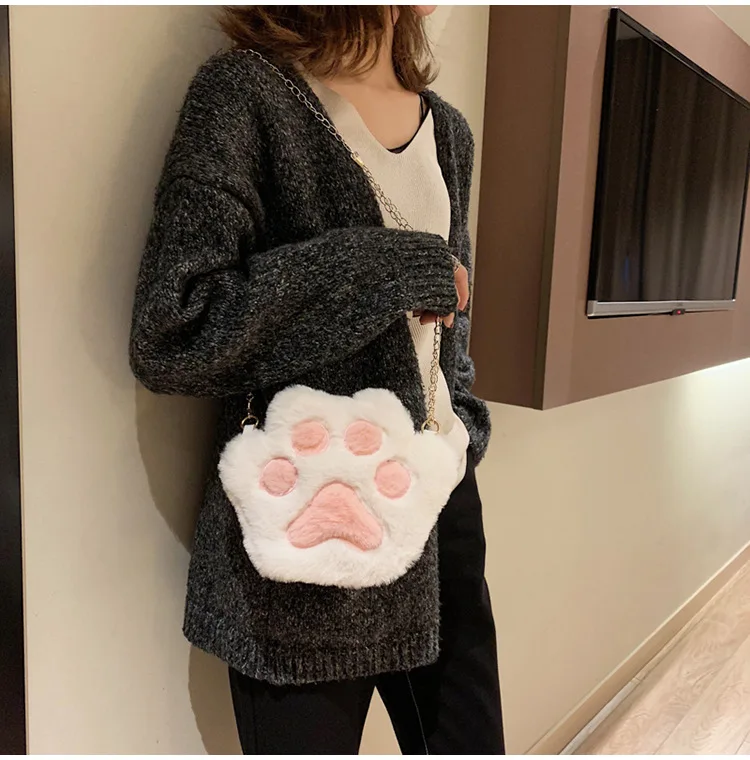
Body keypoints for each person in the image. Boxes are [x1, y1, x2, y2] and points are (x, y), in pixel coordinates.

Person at [129, 5, 504, 754]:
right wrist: (383, 268)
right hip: (309, 528)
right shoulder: (246, 95)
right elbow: (174, 332)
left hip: (439, 505)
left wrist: (464, 428)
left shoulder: (449, 132)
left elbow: (448, 331)